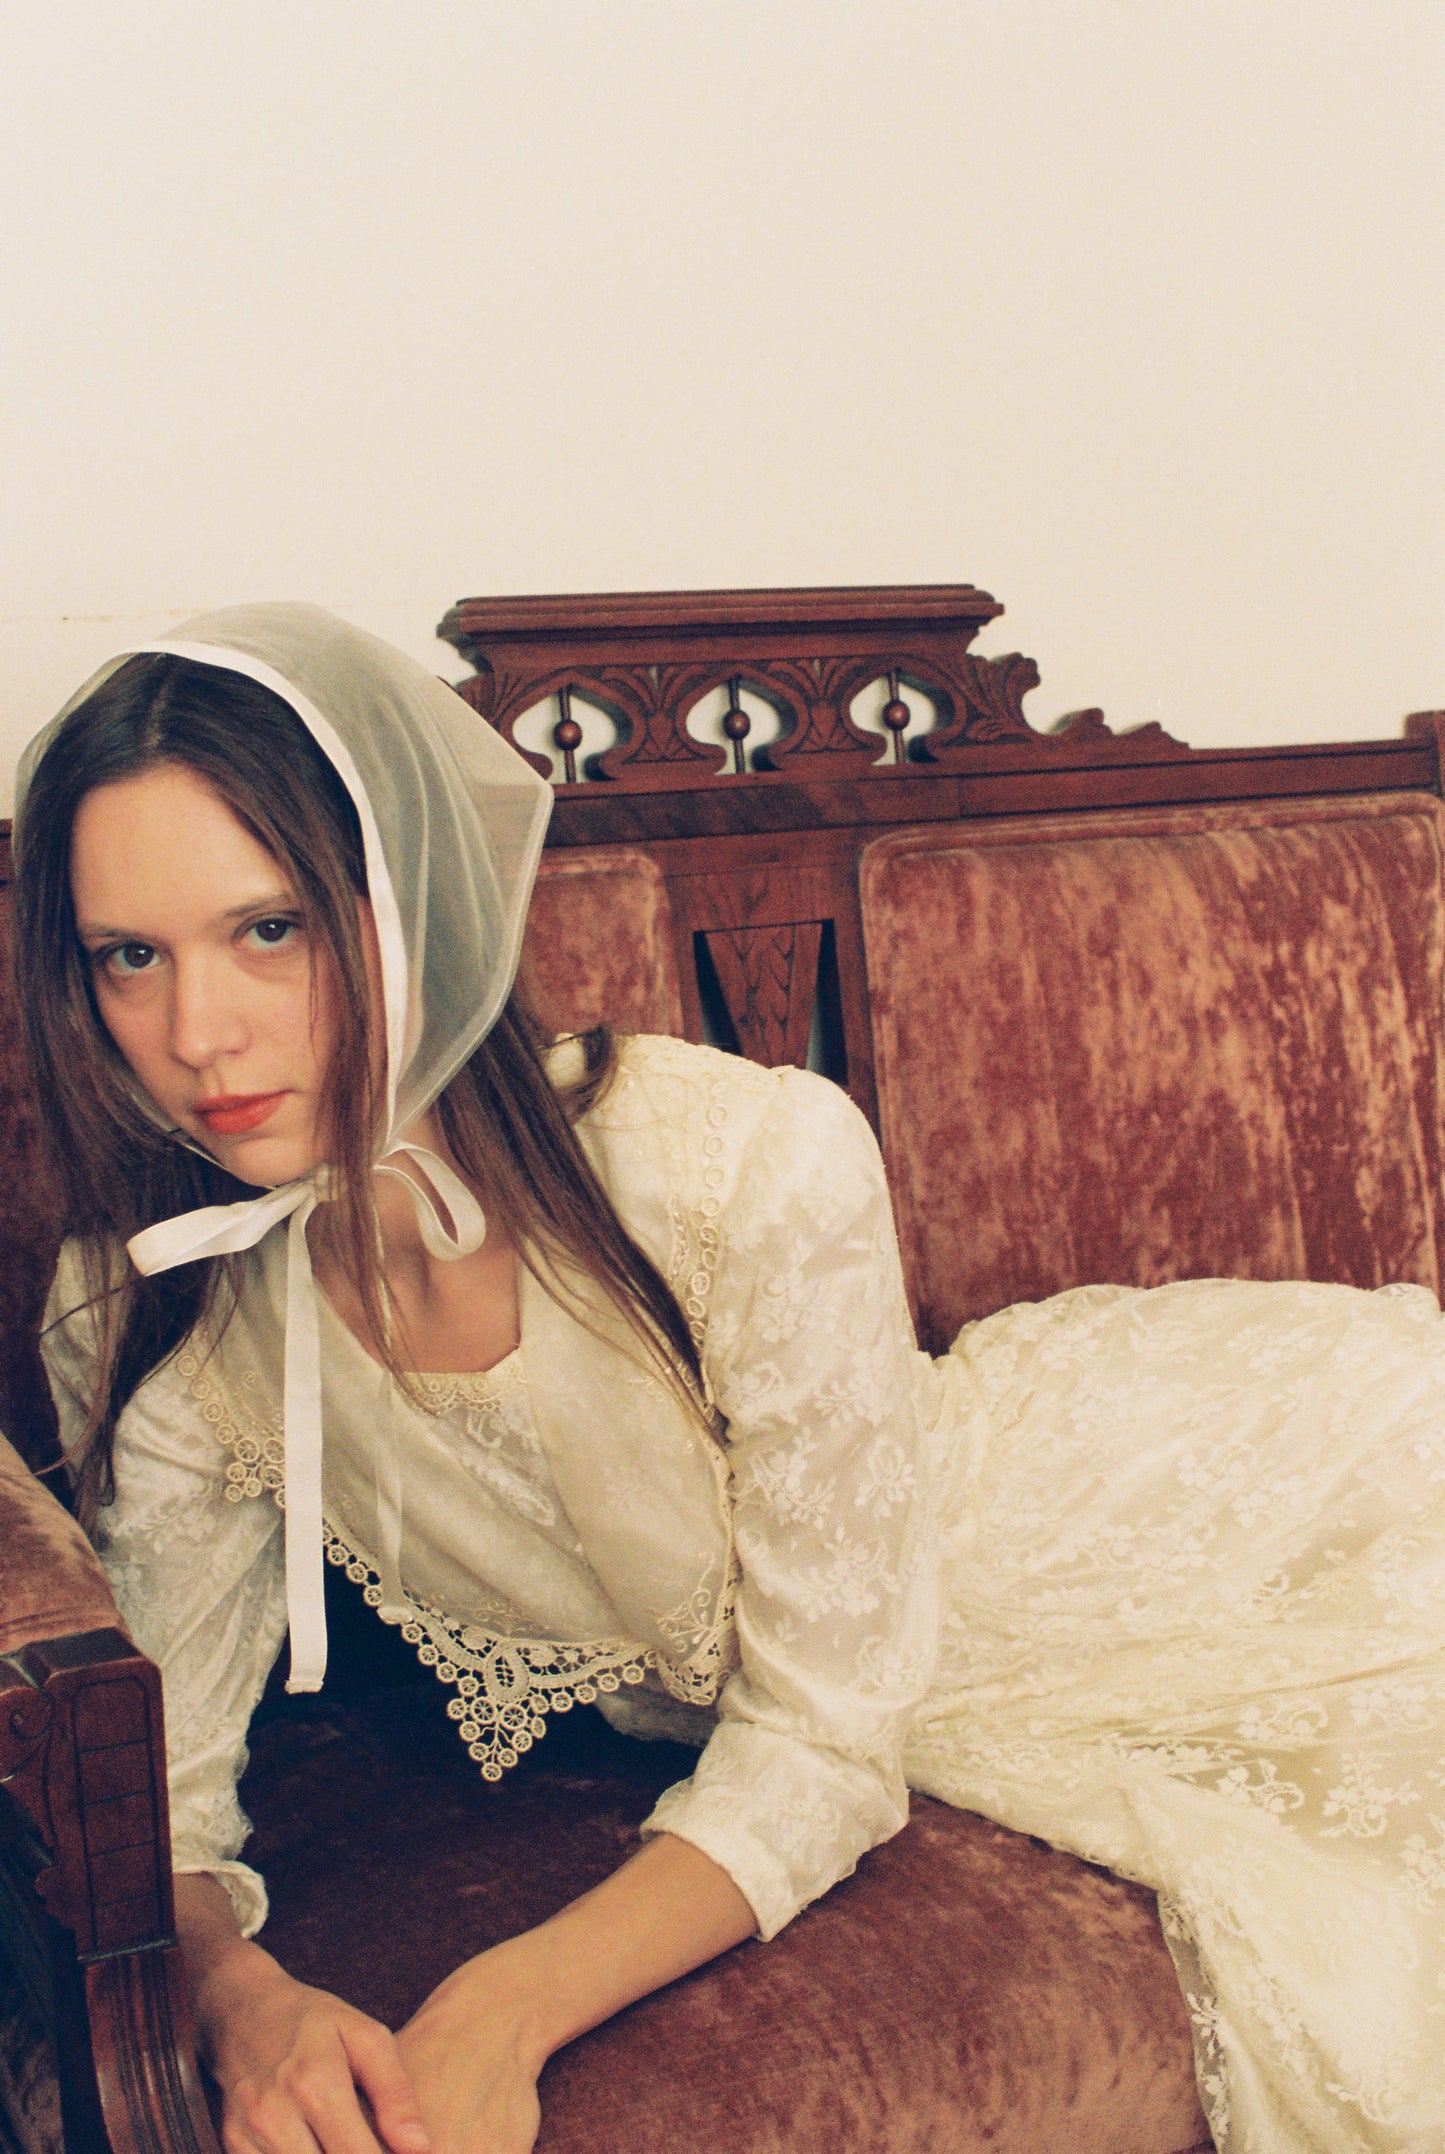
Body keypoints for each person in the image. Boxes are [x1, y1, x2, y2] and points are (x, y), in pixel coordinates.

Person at [15, 603, 1445, 2154]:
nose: (196, 1032)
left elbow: (826, 1738)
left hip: (1102, 1524)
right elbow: (158, 1791)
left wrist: (504, 2004)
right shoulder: (147, 1304)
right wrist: (241, 1994)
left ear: (405, 900)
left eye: (268, 926)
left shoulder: (737, 1167)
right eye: (128, 957)